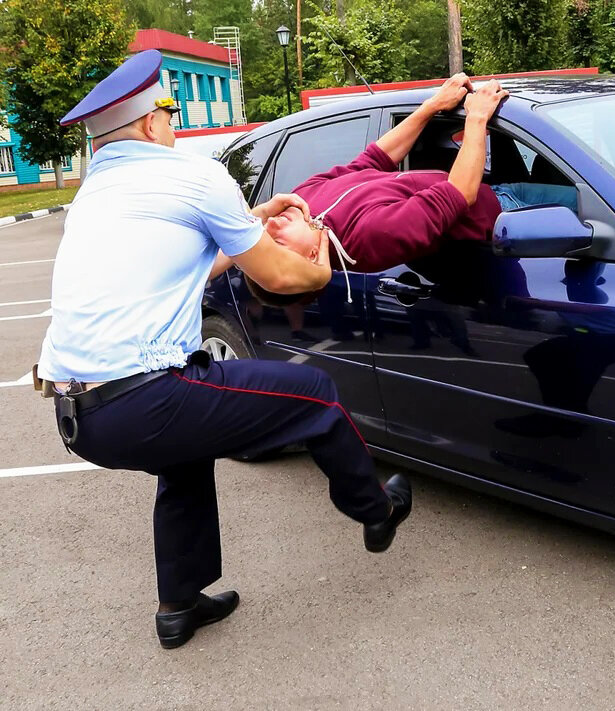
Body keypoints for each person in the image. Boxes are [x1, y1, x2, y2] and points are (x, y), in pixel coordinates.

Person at [35, 50, 412, 650]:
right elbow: (285, 279)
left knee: (184, 457)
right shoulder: (192, 175)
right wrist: (323, 272)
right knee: (315, 395)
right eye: (168, 110)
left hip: (78, 416)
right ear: (151, 124)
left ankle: (178, 605)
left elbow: (187, 266)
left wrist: (251, 220)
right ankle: (376, 512)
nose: (174, 122)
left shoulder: (94, 193)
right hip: (144, 400)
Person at [231, 74, 577, 301]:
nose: (272, 222)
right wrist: (476, 117)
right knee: (593, 202)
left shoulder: (302, 202)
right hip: (505, 208)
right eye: (276, 240)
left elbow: (372, 160)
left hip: (492, 188)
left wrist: (431, 107)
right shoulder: (369, 240)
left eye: (264, 231)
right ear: (310, 258)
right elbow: (459, 193)